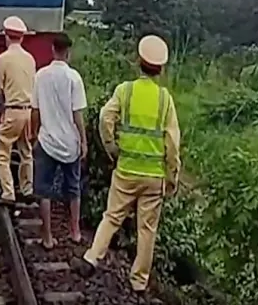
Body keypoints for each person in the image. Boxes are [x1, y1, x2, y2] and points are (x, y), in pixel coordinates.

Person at [71, 34, 181, 296]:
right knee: (147, 229)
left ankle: (91, 258)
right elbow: (173, 143)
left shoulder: (125, 91)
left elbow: (104, 118)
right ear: (161, 69)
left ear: (138, 62)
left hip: (126, 170)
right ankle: (139, 281)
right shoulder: (165, 100)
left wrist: (112, 148)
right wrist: (172, 177)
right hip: (154, 177)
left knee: (112, 217)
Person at [29, 33, 88, 249]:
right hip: (70, 143)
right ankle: (75, 232)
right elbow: (77, 115)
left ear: (53, 49)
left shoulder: (40, 76)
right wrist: (83, 141)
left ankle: (47, 237)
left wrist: (34, 135)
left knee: (44, 191)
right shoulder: (74, 78)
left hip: (47, 142)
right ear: (69, 53)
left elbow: (34, 111)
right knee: (73, 188)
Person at [0, 15, 37, 206]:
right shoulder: (30, 59)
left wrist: (1, 106)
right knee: (26, 152)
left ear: (6, 36)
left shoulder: (3, 59)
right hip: (28, 111)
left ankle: (8, 192)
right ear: (22, 37)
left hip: (13, 111)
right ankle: (27, 189)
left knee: (2, 152)